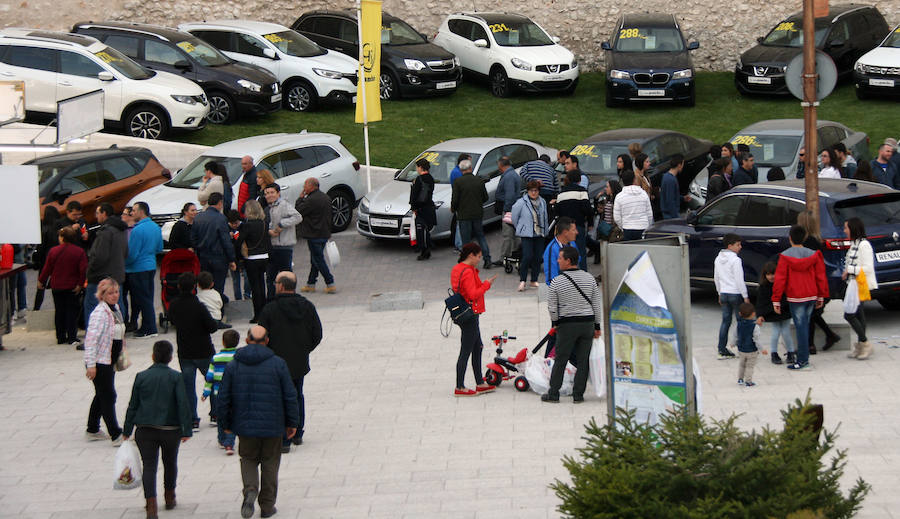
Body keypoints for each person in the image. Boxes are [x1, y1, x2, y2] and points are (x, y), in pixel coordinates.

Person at [218, 325, 299, 519]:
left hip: (244, 425)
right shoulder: (278, 364)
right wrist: (292, 422)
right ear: (267, 341)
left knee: (248, 459)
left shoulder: (233, 365)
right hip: (273, 424)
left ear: (246, 341)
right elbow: (290, 395)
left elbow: (224, 398)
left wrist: (225, 424)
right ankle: (267, 506)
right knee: (271, 462)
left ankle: (250, 489)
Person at [123, 340, 192, 518]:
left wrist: (127, 429)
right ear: (170, 357)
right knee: (170, 463)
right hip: (170, 429)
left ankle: (151, 505)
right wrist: (186, 430)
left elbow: (133, 405)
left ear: (153, 356)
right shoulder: (176, 377)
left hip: (145, 429)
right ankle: (169, 497)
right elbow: (182, 404)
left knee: (149, 466)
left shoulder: (141, 376)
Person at [258, 271, 322, 452]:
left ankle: (284, 438)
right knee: (297, 394)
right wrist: (304, 349)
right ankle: (298, 432)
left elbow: (260, 335)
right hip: (299, 361)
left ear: (281, 286)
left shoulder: (270, 309)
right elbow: (317, 333)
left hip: (275, 361)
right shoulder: (307, 306)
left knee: (279, 398)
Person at [542, 246, 602, 403]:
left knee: (561, 359)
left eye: (560, 258)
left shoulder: (557, 282)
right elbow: (596, 304)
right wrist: (597, 326)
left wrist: (555, 322)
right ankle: (578, 395)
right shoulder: (590, 278)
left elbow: (552, 306)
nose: (557, 260)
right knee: (583, 361)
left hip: (567, 325)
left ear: (568, 261)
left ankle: (553, 393)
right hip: (587, 323)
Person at [772, 225, 828, 371]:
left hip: (795, 296)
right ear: (804, 238)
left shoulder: (784, 256)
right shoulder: (814, 254)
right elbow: (820, 276)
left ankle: (803, 361)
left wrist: (776, 299)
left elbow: (780, 279)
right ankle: (804, 358)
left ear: (790, 238)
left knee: (801, 327)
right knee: (805, 326)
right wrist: (821, 296)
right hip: (811, 294)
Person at [167, 272, 218, 430]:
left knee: (188, 386)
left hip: (185, 351)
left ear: (179, 287)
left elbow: (172, 320)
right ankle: (215, 414)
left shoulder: (174, 305)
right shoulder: (199, 306)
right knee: (213, 381)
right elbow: (212, 327)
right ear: (195, 287)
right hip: (204, 350)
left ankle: (192, 420)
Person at [449, 243, 497, 397]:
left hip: (463, 313)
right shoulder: (468, 272)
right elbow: (473, 294)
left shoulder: (457, 269)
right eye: (478, 256)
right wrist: (487, 285)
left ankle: (480, 382)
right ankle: (460, 387)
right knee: (466, 350)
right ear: (471, 255)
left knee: (478, 347)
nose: (479, 260)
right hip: (470, 315)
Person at [83, 278, 125, 445]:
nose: (114, 296)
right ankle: (115, 434)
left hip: (109, 359)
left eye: (116, 292)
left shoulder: (114, 308)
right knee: (108, 395)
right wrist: (91, 365)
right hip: (99, 362)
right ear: (102, 295)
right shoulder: (99, 313)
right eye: (110, 293)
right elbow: (91, 340)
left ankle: (92, 428)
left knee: (102, 394)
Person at [797, 210, 840, 353]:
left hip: (813, 284)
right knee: (812, 314)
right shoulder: (815, 240)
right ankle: (828, 336)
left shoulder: (807, 242)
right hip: (820, 283)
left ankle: (811, 344)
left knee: (809, 314)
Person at [38, 227, 87, 347]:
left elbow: (47, 268)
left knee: (59, 311)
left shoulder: (53, 251)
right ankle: (72, 337)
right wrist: (80, 284)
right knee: (72, 311)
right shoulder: (79, 251)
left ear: (62, 238)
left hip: (57, 285)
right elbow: (83, 270)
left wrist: (41, 281)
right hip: (72, 286)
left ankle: (60, 336)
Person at [84, 204, 129, 324]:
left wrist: (90, 270)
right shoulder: (122, 230)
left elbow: (99, 256)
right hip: (118, 273)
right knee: (117, 305)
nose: (96, 216)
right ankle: (118, 331)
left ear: (104, 213)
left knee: (92, 305)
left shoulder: (105, 231)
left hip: (101, 276)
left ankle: (93, 335)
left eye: (97, 213)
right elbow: (125, 252)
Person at [126, 202, 163, 338]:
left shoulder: (137, 230)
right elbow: (159, 248)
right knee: (147, 297)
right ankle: (148, 326)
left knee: (142, 299)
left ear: (142, 212)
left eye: (134, 211)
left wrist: (125, 264)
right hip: (150, 266)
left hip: (137, 268)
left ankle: (150, 327)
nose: (132, 213)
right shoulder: (155, 227)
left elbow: (132, 254)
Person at [843, 217, 877, 361]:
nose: (844, 231)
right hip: (853, 285)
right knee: (859, 314)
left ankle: (864, 342)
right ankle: (861, 345)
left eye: (846, 228)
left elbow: (868, 268)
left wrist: (849, 269)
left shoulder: (864, 245)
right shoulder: (854, 244)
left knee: (850, 314)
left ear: (853, 229)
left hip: (861, 285)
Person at [201, 329, 240, 455]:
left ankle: (222, 439)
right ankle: (229, 442)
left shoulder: (216, 358)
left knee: (221, 416)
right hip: (235, 393)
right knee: (233, 416)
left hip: (219, 393)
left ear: (223, 342)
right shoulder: (239, 358)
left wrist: (206, 392)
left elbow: (210, 377)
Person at [192, 192, 237, 300]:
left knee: (204, 286)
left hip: (203, 257)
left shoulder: (198, 217)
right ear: (220, 203)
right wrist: (231, 259)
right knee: (218, 288)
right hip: (218, 258)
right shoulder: (221, 218)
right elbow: (226, 241)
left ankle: (206, 308)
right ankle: (217, 311)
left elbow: (193, 239)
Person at [295, 178, 336, 293]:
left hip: (314, 235)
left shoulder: (311, 200)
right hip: (324, 233)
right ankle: (311, 283)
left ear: (312, 186)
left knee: (318, 259)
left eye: (305, 185)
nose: (304, 188)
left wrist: (300, 198)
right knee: (315, 259)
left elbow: (299, 210)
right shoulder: (326, 197)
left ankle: (330, 282)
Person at [451, 159, 492, 269]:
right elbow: (485, 197)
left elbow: (455, 200)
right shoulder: (479, 181)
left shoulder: (458, 182)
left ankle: (467, 262)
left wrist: (454, 208)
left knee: (466, 241)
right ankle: (487, 259)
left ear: (461, 169)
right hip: (477, 214)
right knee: (480, 236)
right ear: (471, 168)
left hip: (464, 215)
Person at [264, 183, 302, 297]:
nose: (269, 195)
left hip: (284, 246)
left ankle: (290, 299)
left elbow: (298, 217)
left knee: (286, 277)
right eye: (266, 193)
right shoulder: (270, 207)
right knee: (270, 277)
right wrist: (269, 230)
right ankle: (271, 301)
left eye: (272, 192)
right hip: (273, 246)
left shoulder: (283, 204)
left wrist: (282, 224)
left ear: (278, 193)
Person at [713, 233, 747, 360]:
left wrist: (719, 292)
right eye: (738, 245)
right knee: (741, 321)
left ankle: (721, 349)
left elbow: (716, 277)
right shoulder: (736, 260)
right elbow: (739, 280)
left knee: (725, 322)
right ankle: (742, 348)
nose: (740, 247)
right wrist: (745, 296)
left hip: (724, 293)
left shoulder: (718, 259)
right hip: (735, 293)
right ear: (730, 246)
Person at [511, 180, 549, 291]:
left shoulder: (542, 202)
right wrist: (520, 227)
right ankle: (522, 280)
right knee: (527, 256)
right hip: (527, 234)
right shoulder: (521, 202)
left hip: (539, 233)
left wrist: (545, 231)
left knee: (537, 257)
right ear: (527, 191)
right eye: (531, 191)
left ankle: (534, 279)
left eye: (536, 191)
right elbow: (514, 216)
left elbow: (545, 217)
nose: (533, 193)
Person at [755, 261, 794, 365]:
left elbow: (787, 297)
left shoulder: (783, 284)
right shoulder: (763, 287)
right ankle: (774, 353)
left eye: (773, 273)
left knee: (785, 332)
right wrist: (760, 315)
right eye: (768, 274)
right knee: (776, 332)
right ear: (765, 275)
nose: (771, 276)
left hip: (784, 311)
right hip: (774, 313)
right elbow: (760, 302)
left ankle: (790, 352)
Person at [238, 200, 269, 322]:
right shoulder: (264, 223)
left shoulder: (247, 225)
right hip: (264, 256)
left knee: (255, 287)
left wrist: (239, 257)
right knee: (262, 285)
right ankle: (264, 312)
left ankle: (258, 315)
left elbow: (240, 241)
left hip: (251, 258)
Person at [556, 171, 592, 269]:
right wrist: (590, 223)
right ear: (579, 180)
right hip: (578, 225)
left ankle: (567, 274)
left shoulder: (561, 192)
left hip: (565, 227)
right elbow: (587, 209)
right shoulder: (582, 191)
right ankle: (582, 273)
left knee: (566, 252)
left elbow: (557, 211)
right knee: (580, 251)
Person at [33, 205, 61, 311]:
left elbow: (41, 248)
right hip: (58, 260)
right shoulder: (59, 229)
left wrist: (37, 260)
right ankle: (58, 308)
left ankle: (36, 309)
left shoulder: (45, 229)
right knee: (56, 287)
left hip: (46, 260)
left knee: (40, 287)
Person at [495, 157, 522, 266]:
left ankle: (504, 257)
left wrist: (506, 209)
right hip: (513, 208)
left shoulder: (509, 176)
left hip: (509, 209)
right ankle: (515, 254)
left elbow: (510, 195)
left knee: (508, 234)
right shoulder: (512, 174)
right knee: (515, 234)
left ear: (501, 165)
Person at [613, 169, 653, 241]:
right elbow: (649, 214)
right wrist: (647, 224)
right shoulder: (643, 194)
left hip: (627, 228)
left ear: (622, 181)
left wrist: (623, 227)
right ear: (634, 179)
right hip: (643, 226)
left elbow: (617, 217)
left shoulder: (619, 197)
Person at [409, 158, 436, 261]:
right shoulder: (431, 179)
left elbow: (414, 195)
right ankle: (428, 247)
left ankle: (424, 250)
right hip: (429, 207)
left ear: (420, 167)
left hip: (420, 208)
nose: (417, 169)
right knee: (426, 230)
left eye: (417, 167)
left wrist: (414, 207)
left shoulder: (419, 180)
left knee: (420, 231)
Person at [735, 303, 766, 387]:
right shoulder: (755, 327)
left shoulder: (739, 324)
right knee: (749, 366)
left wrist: (733, 342)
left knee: (742, 364)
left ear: (740, 314)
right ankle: (748, 381)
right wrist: (762, 349)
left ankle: (740, 379)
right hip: (752, 350)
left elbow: (735, 334)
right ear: (753, 314)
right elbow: (757, 339)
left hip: (741, 349)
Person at [543, 216, 577, 285]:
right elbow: (551, 280)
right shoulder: (552, 250)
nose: (576, 232)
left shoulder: (572, 244)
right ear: (565, 232)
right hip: (562, 290)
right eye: (573, 230)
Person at [448, 153, 471, 250]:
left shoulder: (455, 171)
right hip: (462, 201)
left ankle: (459, 244)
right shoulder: (458, 173)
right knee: (460, 224)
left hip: (460, 201)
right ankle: (460, 244)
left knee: (460, 223)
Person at [227, 210, 251, 301]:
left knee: (247, 277)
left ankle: (247, 294)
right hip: (233, 257)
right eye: (232, 223)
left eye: (236, 223)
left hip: (244, 256)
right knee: (235, 280)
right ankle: (238, 298)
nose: (234, 225)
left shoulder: (244, 226)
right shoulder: (226, 228)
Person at [660, 155, 689, 220]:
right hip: (670, 216)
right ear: (679, 165)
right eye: (682, 164)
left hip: (669, 214)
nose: (683, 167)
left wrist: (682, 198)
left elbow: (671, 195)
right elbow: (670, 200)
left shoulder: (666, 176)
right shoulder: (671, 180)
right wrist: (676, 218)